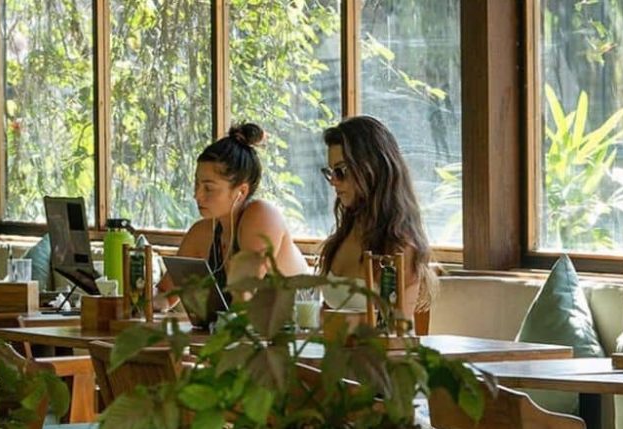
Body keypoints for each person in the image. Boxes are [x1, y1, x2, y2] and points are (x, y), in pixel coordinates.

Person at [160, 123, 309, 301]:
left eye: (208, 188)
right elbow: (164, 294)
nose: (197, 195)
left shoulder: (262, 216)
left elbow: (244, 296)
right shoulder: (201, 233)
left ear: (241, 192)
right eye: (197, 184)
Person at [318, 115, 435, 320]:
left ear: (371, 169)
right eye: (330, 172)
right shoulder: (342, 237)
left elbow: (396, 330)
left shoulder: (400, 246)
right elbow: (326, 317)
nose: (334, 181)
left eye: (341, 171)